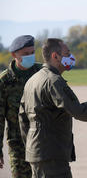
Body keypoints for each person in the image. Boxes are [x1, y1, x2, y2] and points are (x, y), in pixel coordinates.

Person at [18, 38, 87, 178]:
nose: (71, 57)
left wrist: (32, 145)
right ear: (55, 56)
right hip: (51, 154)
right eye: (67, 53)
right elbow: (76, 110)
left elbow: (23, 118)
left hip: (37, 152)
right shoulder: (53, 81)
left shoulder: (33, 80)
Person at [0, 35, 42, 178]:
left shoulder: (42, 73)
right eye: (25, 54)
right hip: (18, 145)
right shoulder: (4, 81)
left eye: (32, 52)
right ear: (14, 55)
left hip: (42, 141)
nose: (30, 56)